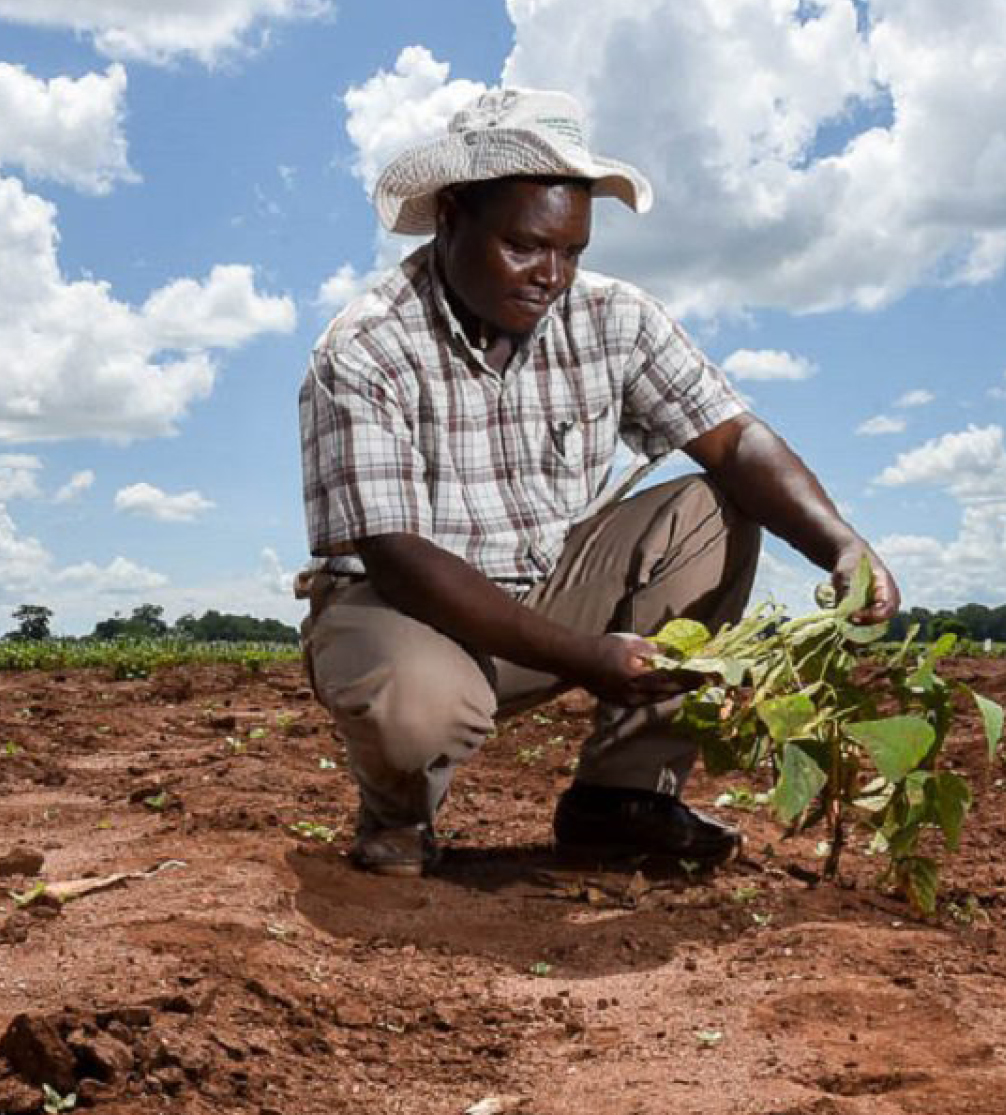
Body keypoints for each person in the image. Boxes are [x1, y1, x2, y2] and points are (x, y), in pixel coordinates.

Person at [297, 87, 897, 877]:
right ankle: (397, 819)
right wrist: (585, 657)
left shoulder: (614, 317)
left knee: (715, 507)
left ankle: (625, 801)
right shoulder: (367, 348)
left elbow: (735, 437)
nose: (552, 275)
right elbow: (399, 556)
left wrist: (843, 546)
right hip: (406, 611)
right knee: (421, 709)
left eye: (571, 252)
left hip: (550, 593)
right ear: (451, 218)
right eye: (523, 246)